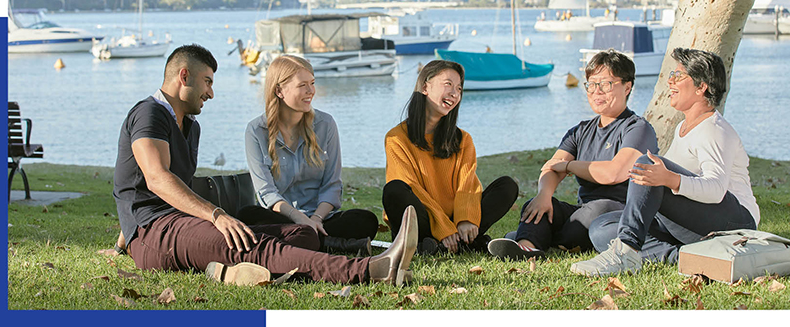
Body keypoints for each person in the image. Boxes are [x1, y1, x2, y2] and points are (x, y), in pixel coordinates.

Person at [112, 43, 417, 286]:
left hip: (176, 225)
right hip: (157, 232)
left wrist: (121, 242)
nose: (211, 93)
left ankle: (231, 271)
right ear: (184, 76)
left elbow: (137, 188)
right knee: (253, 245)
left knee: (302, 235)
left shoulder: (190, 126)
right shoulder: (150, 113)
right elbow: (156, 179)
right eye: (207, 82)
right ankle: (371, 269)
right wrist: (216, 215)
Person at [571, 48, 759, 276]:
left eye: (678, 75)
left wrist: (671, 179)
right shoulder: (682, 127)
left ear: (701, 87)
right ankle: (683, 257)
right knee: (602, 227)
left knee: (648, 164)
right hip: (692, 223)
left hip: (735, 225)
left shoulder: (714, 129)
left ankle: (626, 250)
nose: (670, 81)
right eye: (671, 74)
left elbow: (716, 189)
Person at [488, 49, 658, 260]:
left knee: (596, 210)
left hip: (616, 214)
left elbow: (614, 173)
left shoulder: (638, 128)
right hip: (583, 211)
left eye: (605, 84)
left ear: (627, 87)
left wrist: (569, 166)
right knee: (536, 204)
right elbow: (552, 167)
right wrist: (544, 195)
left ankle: (538, 236)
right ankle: (525, 247)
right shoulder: (580, 131)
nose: (597, 91)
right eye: (591, 84)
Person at [241, 55, 378, 255]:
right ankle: (332, 244)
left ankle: (306, 241)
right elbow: (266, 193)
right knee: (247, 216)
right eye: (302, 85)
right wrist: (299, 219)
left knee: (365, 220)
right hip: (282, 219)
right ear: (279, 91)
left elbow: (332, 185)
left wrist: (315, 219)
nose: (311, 91)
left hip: (322, 220)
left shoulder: (326, 124)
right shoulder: (256, 131)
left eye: (312, 83)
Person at [382, 59, 518, 255]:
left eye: (459, 88)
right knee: (395, 189)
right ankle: (456, 243)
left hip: (455, 221)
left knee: (506, 186)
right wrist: (443, 227)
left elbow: (467, 185)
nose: (455, 93)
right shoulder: (396, 138)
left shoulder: (463, 139)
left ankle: (445, 244)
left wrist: (465, 219)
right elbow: (412, 188)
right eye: (448, 84)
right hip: (422, 220)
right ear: (425, 87)